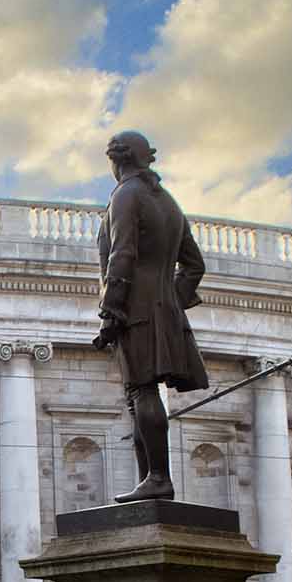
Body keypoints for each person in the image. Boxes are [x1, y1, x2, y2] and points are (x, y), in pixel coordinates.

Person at [91, 130, 209, 503]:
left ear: (117, 160)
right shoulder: (169, 203)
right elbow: (194, 265)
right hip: (162, 309)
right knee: (141, 393)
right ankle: (150, 478)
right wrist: (170, 301)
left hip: (135, 310)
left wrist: (111, 311)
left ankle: (157, 476)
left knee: (141, 389)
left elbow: (121, 255)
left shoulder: (126, 196)